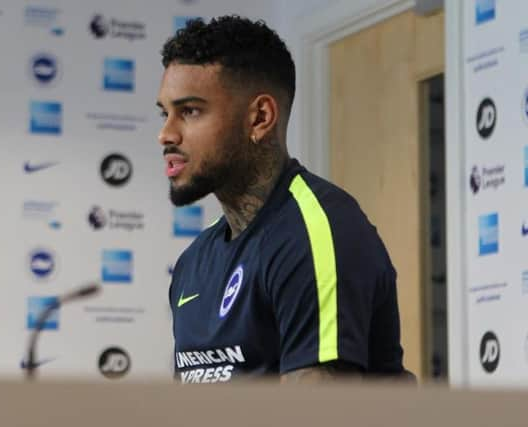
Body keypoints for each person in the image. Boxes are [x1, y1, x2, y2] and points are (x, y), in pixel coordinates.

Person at [157, 15, 413, 384]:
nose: (165, 134)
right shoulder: (192, 263)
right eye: (164, 113)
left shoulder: (314, 231)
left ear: (260, 118)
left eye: (190, 111)